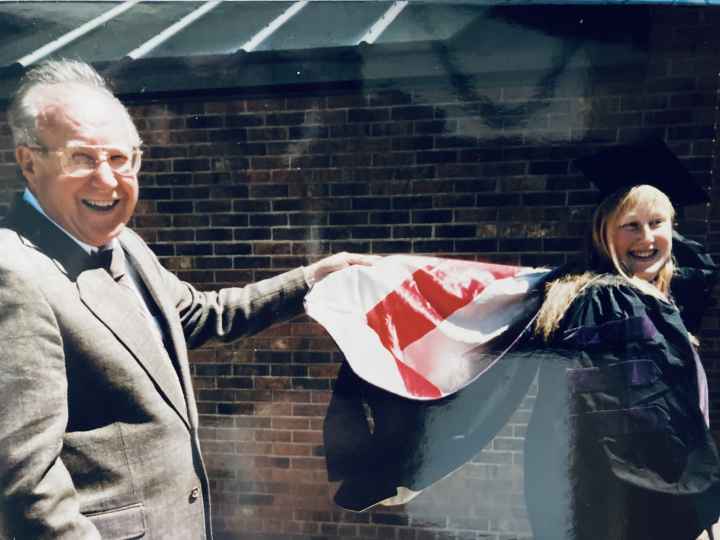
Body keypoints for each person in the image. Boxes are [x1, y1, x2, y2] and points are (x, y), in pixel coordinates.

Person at [0, 58, 377, 539]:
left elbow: (199, 315)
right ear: (29, 162)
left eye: (121, 159)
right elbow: (25, 482)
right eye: (82, 159)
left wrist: (311, 279)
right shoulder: (14, 273)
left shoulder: (120, 242)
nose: (109, 180)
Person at [525, 140, 720, 539]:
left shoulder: (653, 299)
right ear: (604, 233)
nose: (646, 238)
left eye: (658, 223)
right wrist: (698, 505)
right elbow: (640, 423)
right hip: (638, 507)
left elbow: (697, 267)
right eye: (630, 225)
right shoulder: (610, 302)